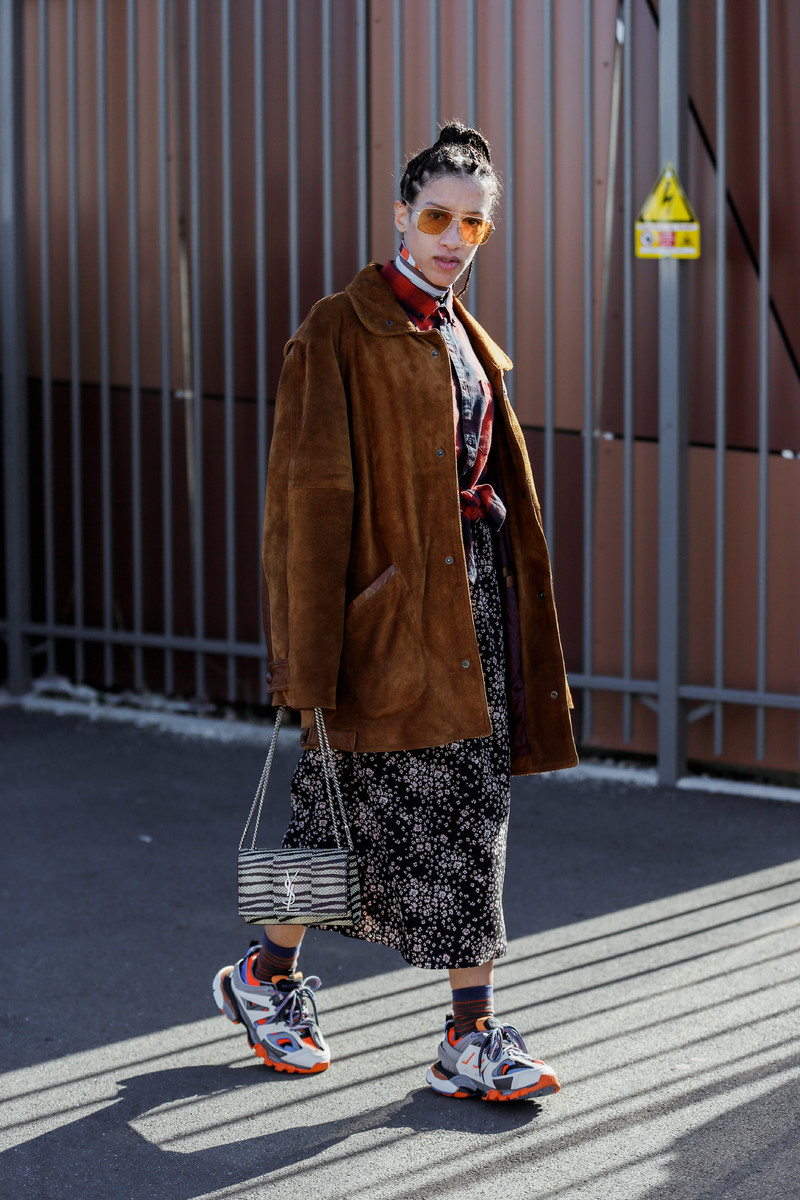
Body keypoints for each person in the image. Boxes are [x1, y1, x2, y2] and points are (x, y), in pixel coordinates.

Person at [213, 121, 578, 1102]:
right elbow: (304, 505)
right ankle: (265, 977)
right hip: (378, 628)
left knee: (473, 817)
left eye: (473, 224)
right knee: (328, 821)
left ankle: (470, 1033)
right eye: (436, 218)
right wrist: (304, 658)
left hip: (469, 618)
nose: (454, 239)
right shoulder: (339, 327)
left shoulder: (461, 333)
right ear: (399, 217)